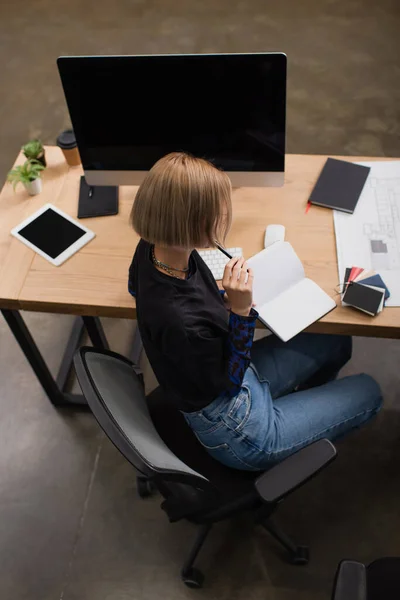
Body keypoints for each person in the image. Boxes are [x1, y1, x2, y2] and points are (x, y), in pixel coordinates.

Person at [128, 152, 382, 471]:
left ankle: (306, 406)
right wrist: (240, 309)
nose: (224, 217)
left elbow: (136, 289)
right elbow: (230, 381)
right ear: (191, 225)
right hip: (236, 426)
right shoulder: (181, 321)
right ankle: (299, 423)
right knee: (369, 392)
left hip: (227, 377)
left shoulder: (154, 247)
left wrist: (215, 303)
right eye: (217, 213)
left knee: (337, 340)